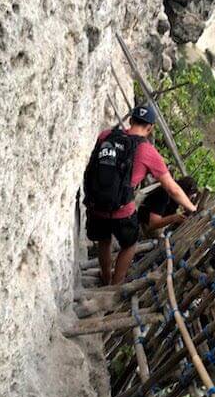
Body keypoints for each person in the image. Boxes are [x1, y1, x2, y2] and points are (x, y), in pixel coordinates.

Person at [84, 104, 197, 285]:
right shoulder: (147, 151)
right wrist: (192, 208)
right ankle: (116, 284)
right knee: (130, 244)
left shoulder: (106, 135)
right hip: (122, 211)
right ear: (150, 128)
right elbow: (173, 188)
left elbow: (93, 166)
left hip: (96, 205)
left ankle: (106, 276)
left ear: (130, 120)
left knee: (103, 240)